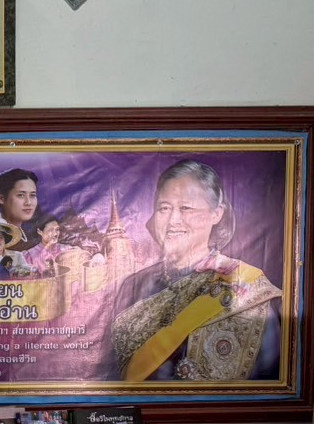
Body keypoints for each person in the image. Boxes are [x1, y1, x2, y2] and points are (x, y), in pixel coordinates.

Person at [111, 159, 282, 382]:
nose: (173, 221)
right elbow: (110, 374)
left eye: (186, 208)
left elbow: (269, 383)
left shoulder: (247, 288)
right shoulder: (133, 286)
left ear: (217, 213)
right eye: (164, 208)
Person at [0, 168, 40, 247]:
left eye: (32, 195)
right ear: (1, 198)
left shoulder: (27, 236)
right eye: (21, 195)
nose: (28, 202)